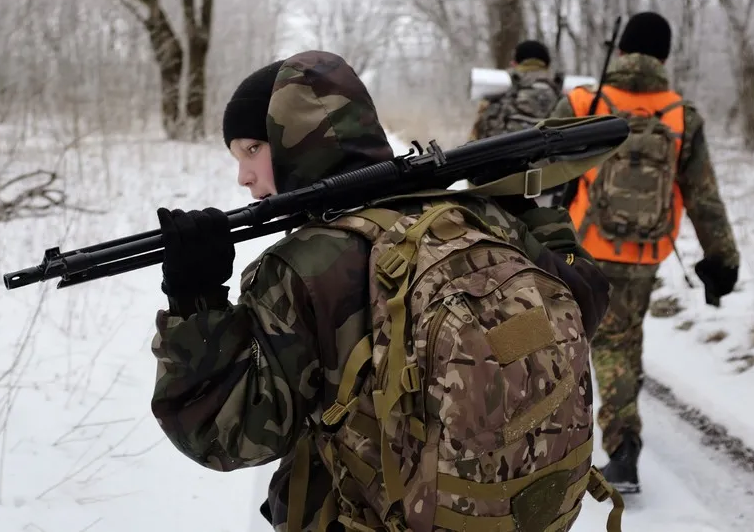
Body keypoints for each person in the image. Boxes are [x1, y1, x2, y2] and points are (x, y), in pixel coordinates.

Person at [149, 50, 614, 531]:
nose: (243, 176)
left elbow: (226, 434)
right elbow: (586, 299)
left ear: (296, 139)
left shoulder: (303, 269)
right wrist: (526, 208)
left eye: (251, 150)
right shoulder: (473, 214)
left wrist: (195, 302)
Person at [549, 11, 741, 494]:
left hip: (583, 249)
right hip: (645, 253)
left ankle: (603, 447)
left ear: (620, 53)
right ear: (665, 57)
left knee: (580, 339)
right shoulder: (681, 114)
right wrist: (723, 261)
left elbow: (534, 166)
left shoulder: (583, 101)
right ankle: (621, 437)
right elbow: (705, 198)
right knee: (622, 340)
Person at [469, 39, 565, 142]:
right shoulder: (565, 94)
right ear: (547, 65)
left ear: (514, 63)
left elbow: (475, 141)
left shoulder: (499, 90)